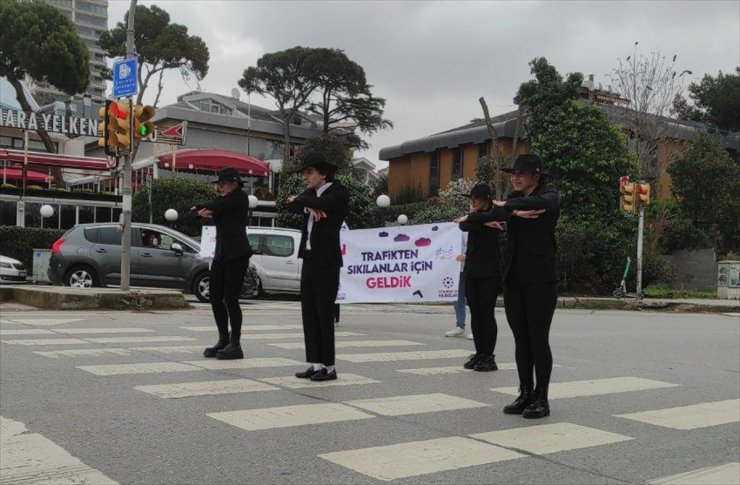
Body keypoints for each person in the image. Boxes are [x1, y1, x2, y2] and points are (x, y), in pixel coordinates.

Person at [491, 154, 560, 419]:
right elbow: (493, 210)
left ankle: (541, 396)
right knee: (521, 338)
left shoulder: (548, 194)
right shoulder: (513, 198)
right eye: (513, 173)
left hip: (540, 278)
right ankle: (525, 392)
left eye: (522, 173)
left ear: (536, 176)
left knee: (537, 338)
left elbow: (544, 202)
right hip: (513, 277)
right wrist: (514, 210)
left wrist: (510, 206)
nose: (515, 177)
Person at [287, 152, 349, 382]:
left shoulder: (338, 192)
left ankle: (329, 366)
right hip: (309, 258)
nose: (305, 176)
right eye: (304, 172)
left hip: (327, 261)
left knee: (324, 313)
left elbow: (324, 204)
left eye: (309, 172)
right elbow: (289, 202)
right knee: (309, 313)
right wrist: (307, 206)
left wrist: (305, 202)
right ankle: (315, 363)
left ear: (323, 174)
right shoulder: (310, 194)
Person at [191, 167, 253, 360]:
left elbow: (217, 206)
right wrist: (198, 212)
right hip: (221, 254)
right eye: (219, 184)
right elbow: (205, 210)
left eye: (224, 184)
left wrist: (202, 208)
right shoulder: (221, 201)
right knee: (215, 296)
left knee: (231, 299)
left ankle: (236, 343)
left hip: (237, 254)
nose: (221, 188)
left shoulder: (240, 198)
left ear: (235, 184)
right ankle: (223, 339)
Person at [454, 183, 508, 372]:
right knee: (475, 314)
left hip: (489, 271)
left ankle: (488, 355)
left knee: (486, 313)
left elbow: (496, 216)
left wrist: (475, 218)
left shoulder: (496, 213)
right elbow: (463, 226)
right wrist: (479, 220)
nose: (474, 201)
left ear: (486, 199)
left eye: (477, 198)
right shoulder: (478, 217)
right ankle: (479, 352)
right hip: (471, 270)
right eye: (472, 198)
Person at [445, 233, 472, 339]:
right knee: (457, 299)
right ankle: (460, 326)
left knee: (473, 300)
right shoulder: (456, 229)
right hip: (457, 269)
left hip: (471, 269)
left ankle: (477, 328)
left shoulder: (473, 229)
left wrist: (467, 255)